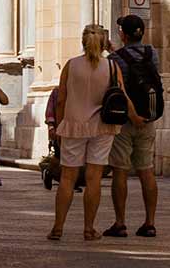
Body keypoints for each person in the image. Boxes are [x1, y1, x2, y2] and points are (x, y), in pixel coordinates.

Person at [48, 24, 124, 241]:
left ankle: (58, 227)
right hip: (102, 126)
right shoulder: (111, 67)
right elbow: (119, 93)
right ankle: (89, 229)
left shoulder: (71, 66)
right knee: (94, 179)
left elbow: (61, 99)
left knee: (67, 178)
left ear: (83, 42)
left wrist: (60, 127)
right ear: (103, 44)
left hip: (73, 126)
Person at [105, 14, 164, 238]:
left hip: (126, 121)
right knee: (146, 170)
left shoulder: (115, 58)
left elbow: (118, 87)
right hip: (148, 120)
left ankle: (120, 223)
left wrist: (112, 52)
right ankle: (149, 222)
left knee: (120, 171)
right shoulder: (152, 54)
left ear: (123, 34)